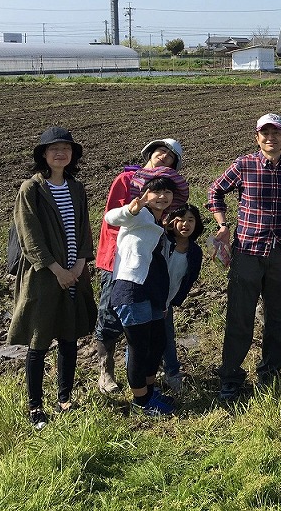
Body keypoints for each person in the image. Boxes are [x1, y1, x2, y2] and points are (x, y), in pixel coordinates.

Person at [208, 113, 281, 401]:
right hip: (247, 250)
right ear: (257, 137)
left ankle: (270, 370)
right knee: (240, 315)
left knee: (280, 316)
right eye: (265, 133)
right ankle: (231, 376)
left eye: (276, 133)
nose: (270, 138)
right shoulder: (244, 165)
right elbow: (215, 191)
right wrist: (222, 225)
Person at [8, 126, 98, 430]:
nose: (61, 153)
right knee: (39, 341)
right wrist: (57, 269)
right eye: (54, 148)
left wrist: (78, 266)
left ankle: (64, 399)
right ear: (43, 155)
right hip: (44, 275)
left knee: (69, 337)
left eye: (66, 149)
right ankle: (35, 408)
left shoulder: (76, 187)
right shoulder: (31, 189)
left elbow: (84, 230)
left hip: (74, 274)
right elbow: (29, 236)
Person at [93, 138, 183, 396]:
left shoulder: (164, 193)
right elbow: (112, 218)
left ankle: (156, 374)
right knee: (110, 317)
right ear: (150, 153)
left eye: (170, 156)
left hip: (149, 266)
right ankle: (106, 369)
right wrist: (134, 212)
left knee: (155, 322)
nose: (164, 156)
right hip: (117, 260)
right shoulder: (126, 181)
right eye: (160, 151)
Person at [104, 166, 188, 416]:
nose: (163, 196)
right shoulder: (139, 215)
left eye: (167, 192)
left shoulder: (160, 220)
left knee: (156, 342)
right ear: (145, 194)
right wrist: (132, 207)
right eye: (156, 191)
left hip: (152, 290)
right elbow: (111, 218)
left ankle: (149, 391)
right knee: (139, 347)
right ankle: (141, 402)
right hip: (132, 288)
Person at [161, 204, 205, 391]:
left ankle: (172, 374)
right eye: (179, 220)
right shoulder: (161, 241)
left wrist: (171, 301)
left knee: (167, 336)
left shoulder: (195, 252)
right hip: (149, 297)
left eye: (190, 220)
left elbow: (189, 279)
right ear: (171, 223)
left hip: (167, 301)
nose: (185, 224)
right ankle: (142, 378)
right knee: (142, 339)